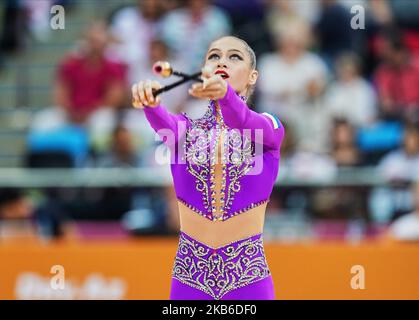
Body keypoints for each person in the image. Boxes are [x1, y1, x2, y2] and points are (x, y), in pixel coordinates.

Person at [132, 36, 285, 300]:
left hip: (247, 277)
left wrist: (226, 95)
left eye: (234, 56)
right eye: (214, 56)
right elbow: (163, 122)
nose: (222, 61)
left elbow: (243, 119)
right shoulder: (184, 131)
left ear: (252, 76)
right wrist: (150, 101)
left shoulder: (268, 127)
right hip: (190, 278)